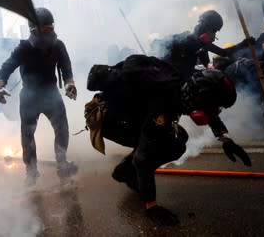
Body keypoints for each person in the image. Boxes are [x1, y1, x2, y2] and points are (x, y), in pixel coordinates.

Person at [85, 55, 251, 226]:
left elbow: (207, 108)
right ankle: (127, 172)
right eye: (215, 106)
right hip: (110, 121)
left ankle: (125, 170)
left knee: (179, 136)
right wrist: (152, 206)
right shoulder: (162, 107)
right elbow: (143, 158)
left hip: (129, 115)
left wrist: (225, 138)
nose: (214, 110)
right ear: (200, 99)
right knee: (166, 145)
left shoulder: (187, 82)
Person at [0, 7, 78, 186]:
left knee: (62, 129)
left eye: (50, 28)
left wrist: (70, 84)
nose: (47, 32)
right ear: (33, 30)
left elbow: (66, 68)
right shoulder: (23, 47)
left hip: (51, 94)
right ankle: (31, 172)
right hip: (29, 97)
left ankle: (62, 163)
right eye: (43, 29)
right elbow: (5, 69)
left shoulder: (58, 45)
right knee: (28, 135)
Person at [151, 10, 254, 81]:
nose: (214, 35)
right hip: (172, 77)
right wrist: (243, 44)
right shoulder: (189, 40)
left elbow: (208, 64)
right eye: (214, 31)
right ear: (207, 28)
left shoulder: (200, 45)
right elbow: (223, 52)